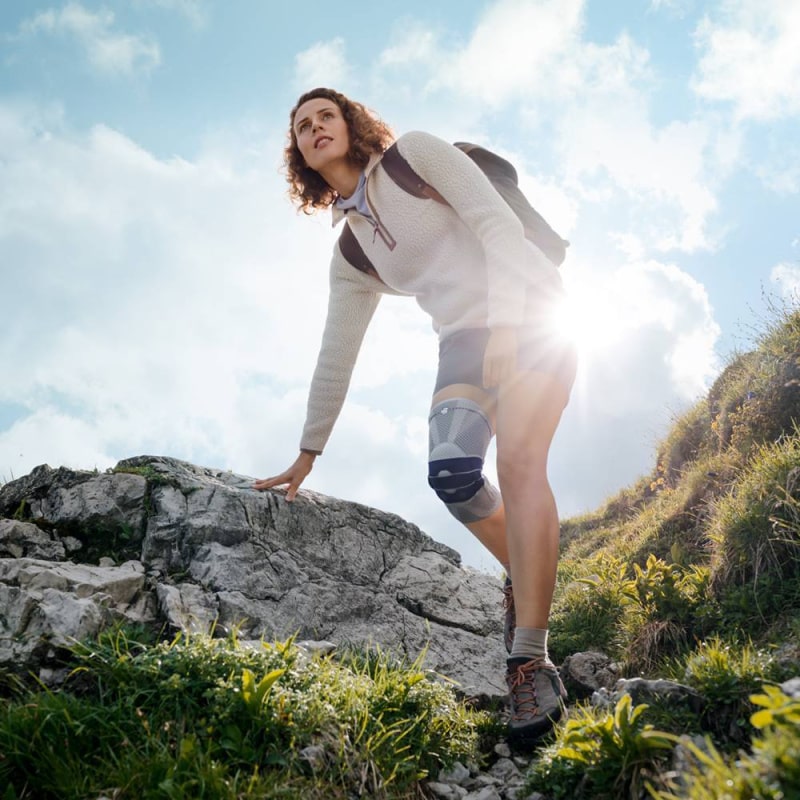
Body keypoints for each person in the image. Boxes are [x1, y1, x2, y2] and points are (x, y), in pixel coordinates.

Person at [254, 87, 577, 741]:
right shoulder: (351, 254)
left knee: (517, 462)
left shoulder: (415, 155)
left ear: (351, 124)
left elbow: (496, 225)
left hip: (531, 309)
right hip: (463, 340)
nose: (316, 128)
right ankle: (527, 563)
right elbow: (335, 352)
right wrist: (307, 451)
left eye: (326, 116)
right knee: (453, 473)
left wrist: (513, 325)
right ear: (300, 155)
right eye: (303, 127)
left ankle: (529, 660)